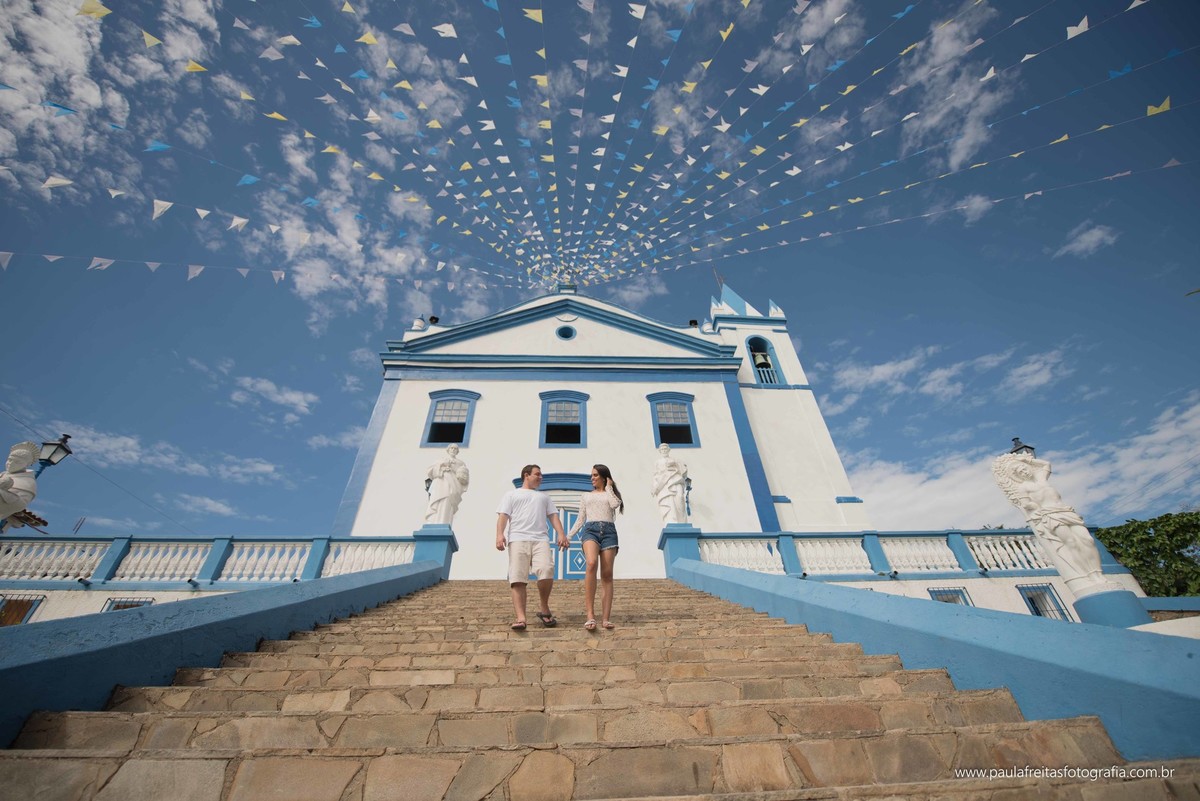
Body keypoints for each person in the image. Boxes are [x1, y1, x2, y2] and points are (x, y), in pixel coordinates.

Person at [993, 451, 1110, 593]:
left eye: (1024, 468)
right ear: (1016, 475)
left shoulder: (1041, 480)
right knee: (1071, 543)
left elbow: (1046, 465)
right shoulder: (1023, 488)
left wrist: (1026, 460)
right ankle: (1090, 575)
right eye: (1020, 470)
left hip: (1064, 510)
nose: (1024, 471)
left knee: (1087, 540)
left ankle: (1097, 572)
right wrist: (1035, 507)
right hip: (1049, 515)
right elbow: (1026, 504)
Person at [496, 464, 569, 630]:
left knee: (546, 570)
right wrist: (500, 535)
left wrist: (561, 534)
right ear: (526, 475)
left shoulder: (544, 497)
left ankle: (544, 607)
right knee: (517, 578)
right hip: (517, 539)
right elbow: (503, 516)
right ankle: (521, 618)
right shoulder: (511, 495)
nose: (541, 477)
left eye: (541, 475)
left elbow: (553, 516)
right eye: (537, 474)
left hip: (540, 539)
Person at [569, 464, 624, 631]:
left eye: (594, 475)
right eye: (591, 475)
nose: (591, 478)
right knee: (591, 563)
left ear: (603, 477)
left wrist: (609, 487)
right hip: (590, 530)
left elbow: (615, 504)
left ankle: (605, 618)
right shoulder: (586, 496)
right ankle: (590, 615)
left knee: (607, 575)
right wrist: (568, 536)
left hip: (609, 532)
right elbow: (580, 519)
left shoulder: (610, 494)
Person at [424, 444, 469, 525]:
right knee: (438, 500)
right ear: (448, 450)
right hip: (441, 483)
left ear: (457, 451)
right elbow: (430, 471)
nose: (453, 450)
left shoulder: (461, 463)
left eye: (455, 448)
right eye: (452, 448)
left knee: (448, 502)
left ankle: (444, 522)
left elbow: (463, 477)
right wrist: (442, 465)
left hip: (453, 485)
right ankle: (434, 521)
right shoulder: (441, 460)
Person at [0, 442, 39, 529]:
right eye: (9, 460)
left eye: (17, 462)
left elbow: (20, 504)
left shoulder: (28, 482)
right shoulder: (2, 474)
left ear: (26, 464)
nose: (11, 463)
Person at [651, 442, 688, 524]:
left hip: (676, 481)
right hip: (664, 484)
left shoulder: (675, 460)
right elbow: (655, 475)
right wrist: (655, 487)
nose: (664, 451)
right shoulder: (658, 462)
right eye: (662, 449)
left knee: (680, 498)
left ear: (668, 450)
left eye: (665, 449)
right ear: (660, 451)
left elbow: (683, 470)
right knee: (669, 502)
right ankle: (672, 520)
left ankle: (682, 521)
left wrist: (676, 465)